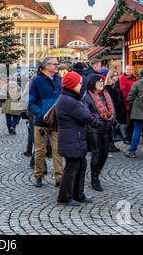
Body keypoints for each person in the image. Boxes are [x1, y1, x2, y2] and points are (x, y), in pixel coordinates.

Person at [56, 72, 98, 206]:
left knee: (81, 166)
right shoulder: (70, 101)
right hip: (72, 140)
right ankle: (65, 197)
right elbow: (86, 116)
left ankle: (78, 194)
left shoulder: (70, 99)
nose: (81, 85)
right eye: (79, 83)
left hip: (75, 139)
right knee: (72, 168)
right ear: (72, 85)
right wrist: (95, 119)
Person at [28, 56, 63, 188]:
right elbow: (31, 102)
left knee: (58, 150)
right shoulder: (37, 81)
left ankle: (59, 178)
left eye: (57, 64)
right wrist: (41, 115)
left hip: (57, 121)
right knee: (40, 150)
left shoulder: (60, 80)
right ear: (46, 65)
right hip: (41, 122)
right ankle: (38, 176)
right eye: (54, 64)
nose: (57, 66)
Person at [82, 75, 115, 191]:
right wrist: (95, 121)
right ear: (92, 83)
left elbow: (111, 109)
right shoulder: (87, 96)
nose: (101, 83)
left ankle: (96, 172)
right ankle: (94, 179)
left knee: (105, 153)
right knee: (96, 153)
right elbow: (86, 112)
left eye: (102, 81)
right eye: (98, 82)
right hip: (94, 128)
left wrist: (112, 120)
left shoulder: (106, 94)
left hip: (106, 126)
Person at [104, 70, 127, 152]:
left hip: (118, 109)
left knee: (114, 128)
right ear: (110, 77)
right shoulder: (107, 87)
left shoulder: (117, 86)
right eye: (114, 75)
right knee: (111, 128)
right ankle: (110, 145)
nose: (117, 77)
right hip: (112, 110)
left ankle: (112, 145)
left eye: (117, 75)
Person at [120, 65, 137, 145]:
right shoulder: (122, 78)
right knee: (129, 121)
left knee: (133, 121)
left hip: (135, 102)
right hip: (128, 102)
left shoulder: (135, 78)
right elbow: (124, 91)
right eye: (127, 70)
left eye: (130, 70)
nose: (128, 71)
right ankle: (127, 137)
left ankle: (132, 137)